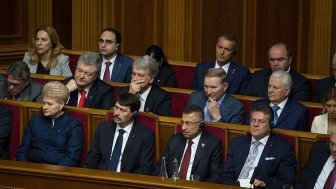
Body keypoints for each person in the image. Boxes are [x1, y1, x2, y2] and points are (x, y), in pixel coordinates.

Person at [221, 105, 297, 189]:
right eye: (253, 120)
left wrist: (264, 183)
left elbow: (286, 181)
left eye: (261, 121)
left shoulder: (283, 148)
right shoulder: (237, 143)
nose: (255, 124)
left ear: (270, 126)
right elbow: (226, 175)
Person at [84, 93, 154, 174]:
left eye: (123, 110)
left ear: (133, 114)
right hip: (101, 177)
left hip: (127, 181)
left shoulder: (145, 135)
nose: (116, 113)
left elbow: (144, 167)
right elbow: (93, 157)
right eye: (116, 108)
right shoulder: (103, 128)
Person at [16, 81, 83, 166]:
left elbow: (72, 158)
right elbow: (23, 150)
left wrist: (54, 174)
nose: (45, 107)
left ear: (61, 104)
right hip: (31, 168)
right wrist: (24, 168)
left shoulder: (73, 125)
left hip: (58, 172)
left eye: (50, 104)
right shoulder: (35, 120)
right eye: (44, 103)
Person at [152, 104, 222, 182]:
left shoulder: (212, 144)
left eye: (188, 123)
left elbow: (215, 176)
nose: (183, 128)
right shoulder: (174, 140)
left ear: (201, 125)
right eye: (182, 122)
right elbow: (160, 166)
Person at [244, 42, 311, 101]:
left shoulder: (301, 83)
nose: (276, 64)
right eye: (272, 60)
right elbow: (248, 101)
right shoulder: (257, 77)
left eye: (280, 59)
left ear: (289, 60)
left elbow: (297, 109)